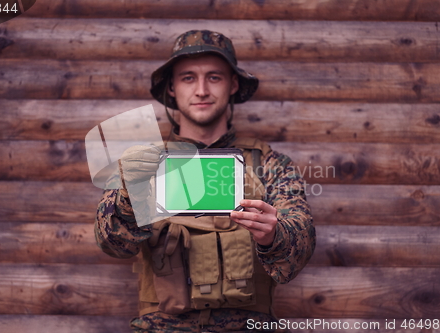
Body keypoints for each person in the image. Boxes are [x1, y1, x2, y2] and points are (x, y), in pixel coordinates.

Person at [94, 30, 316, 333]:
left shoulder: (269, 164)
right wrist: (131, 199)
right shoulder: (142, 166)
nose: (201, 90)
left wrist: (274, 234)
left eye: (214, 77)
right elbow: (112, 243)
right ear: (171, 87)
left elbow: (300, 245)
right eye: (188, 78)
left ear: (233, 84)